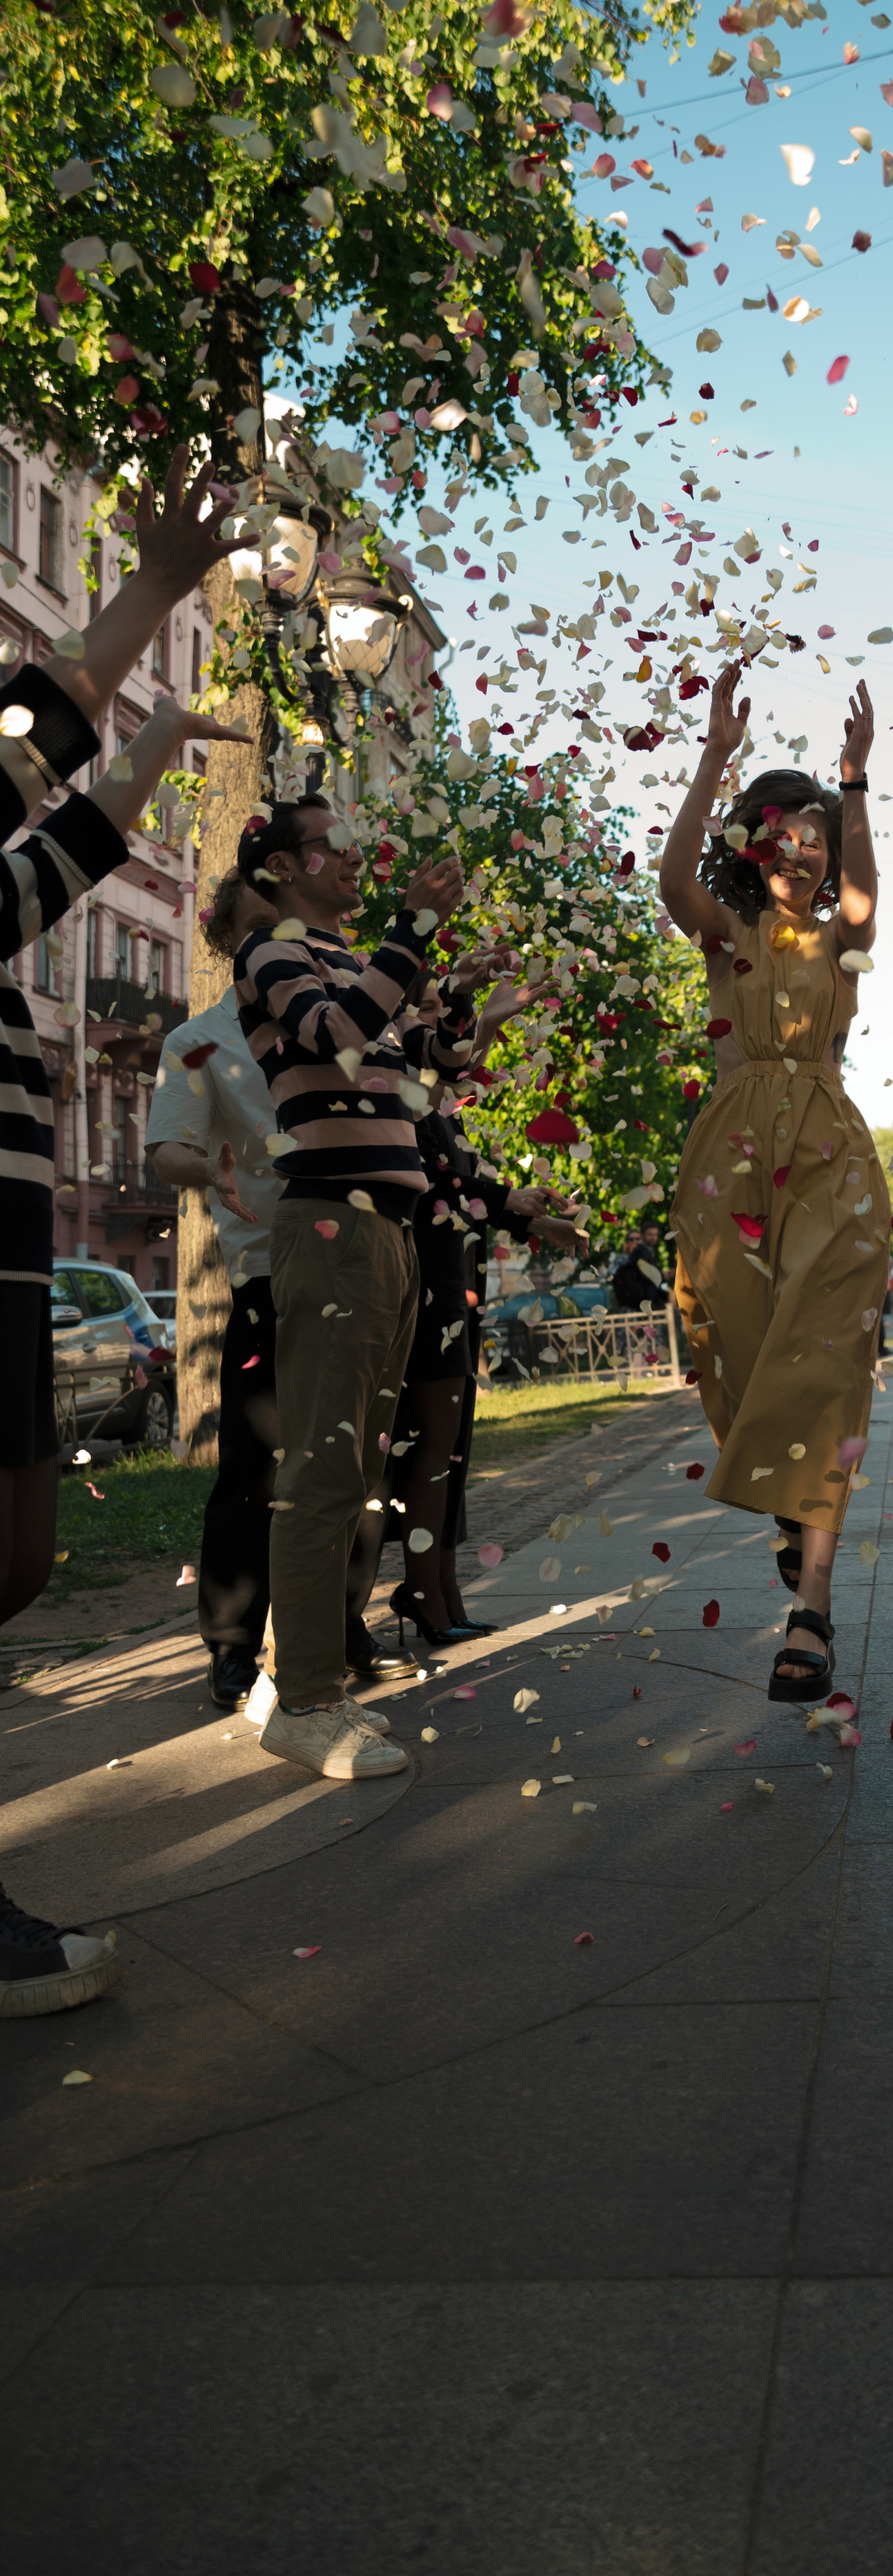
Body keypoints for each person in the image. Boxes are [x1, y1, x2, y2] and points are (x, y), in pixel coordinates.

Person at [0, 447, 242, 2015]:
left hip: (15, 1249)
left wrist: (149, 746)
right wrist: (152, 589)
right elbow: (27, 748)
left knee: (20, 1555)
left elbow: (52, 860)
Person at [233, 799, 473, 1779]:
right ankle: (303, 1701)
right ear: (284, 867)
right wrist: (410, 931)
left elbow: (426, 1081)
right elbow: (335, 1035)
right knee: (324, 1474)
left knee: (356, 1475)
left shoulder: (347, 958)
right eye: (329, 844)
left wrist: (455, 1000)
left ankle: (313, 1680)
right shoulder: (271, 952)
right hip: (333, 1226)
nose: (353, 857)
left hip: (386, 1232)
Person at [658, 664, 886, 1699]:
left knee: (827, 1353)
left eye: (815, 838)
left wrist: (854, 784)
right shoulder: (730, 930)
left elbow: (866, 902)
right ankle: (795, 1510)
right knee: (745, 1356)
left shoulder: (843, 936)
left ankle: (813, 1608)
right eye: (780, 834)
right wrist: (714, 756)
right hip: (733, 1155)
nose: (798, 850)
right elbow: (674, 883)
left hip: (831, 1148)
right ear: (752, 844)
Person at [381, 973, 585, 1647]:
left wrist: (532, 1220)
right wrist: (509, 1201)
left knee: (452, 1447)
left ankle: (442, 1587)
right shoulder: (396, 1095)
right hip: (422, 1285)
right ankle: (424, 1591)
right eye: (426, 1010)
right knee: (433, 1444)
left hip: (454, 1282)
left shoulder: (437, 1106)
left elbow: (463, 1192)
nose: (437, 1022)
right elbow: (439, 1185)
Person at [611, 1220, 669, 1314]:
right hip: (629, 1305)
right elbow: (613, 1277)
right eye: (632, 1239)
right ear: (627, 1242)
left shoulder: (645, 1255)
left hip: (643, 1303)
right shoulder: (623, 1259)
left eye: (638, 1239)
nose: (635, 1241)